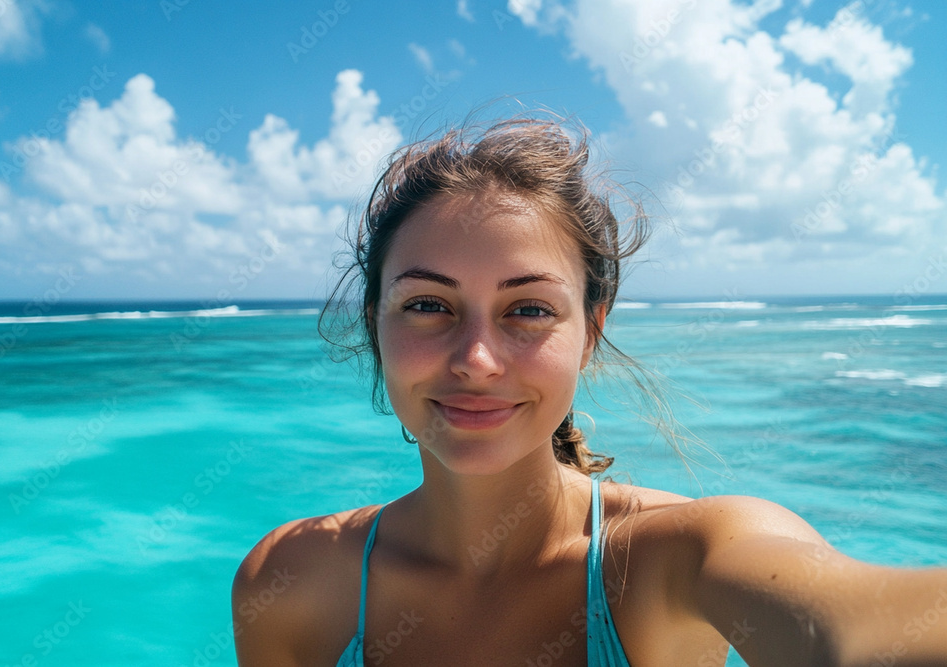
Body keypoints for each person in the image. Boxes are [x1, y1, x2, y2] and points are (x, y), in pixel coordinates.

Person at [231, 117, 947, 666]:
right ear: (375, 324)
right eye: (427, 304)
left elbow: (848, 634)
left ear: (591, 333)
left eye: (529, 309)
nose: (476, 359)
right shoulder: (291, 578)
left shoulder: (676, 558)